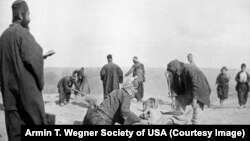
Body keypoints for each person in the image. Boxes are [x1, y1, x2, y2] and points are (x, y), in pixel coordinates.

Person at [0, 1, 47, 140]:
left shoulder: (3, 37)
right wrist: (40, 83)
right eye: (28, 15)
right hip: (28, 99)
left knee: (15, 136)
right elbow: (34, 58)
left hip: (9, 99)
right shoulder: (23, 34)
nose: (30, 18)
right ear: (21, 15)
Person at [166, 59, 211, 124]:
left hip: (200, 90)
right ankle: (179, 119)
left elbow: (196, 85)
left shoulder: (190, 69)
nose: (172, 73)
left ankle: (196, 124)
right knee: (180, 100)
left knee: (197, 107)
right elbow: (174, 85)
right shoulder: (177, 70)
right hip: (190, 89)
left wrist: (195, 100)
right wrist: (173, 99)